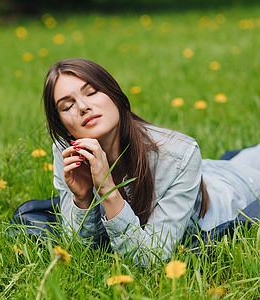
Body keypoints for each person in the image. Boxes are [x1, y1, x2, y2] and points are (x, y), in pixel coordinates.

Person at [42, 58, 260, 265]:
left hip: (235, 187)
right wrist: (82, 199)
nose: (82, 107)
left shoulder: (179, 153)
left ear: (114, 93)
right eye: (67, 106)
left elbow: (151, 258)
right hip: (201, 172)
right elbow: (82, 250)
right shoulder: (68, 154)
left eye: (91, 92)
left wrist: (107, 188)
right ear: (62, 125)